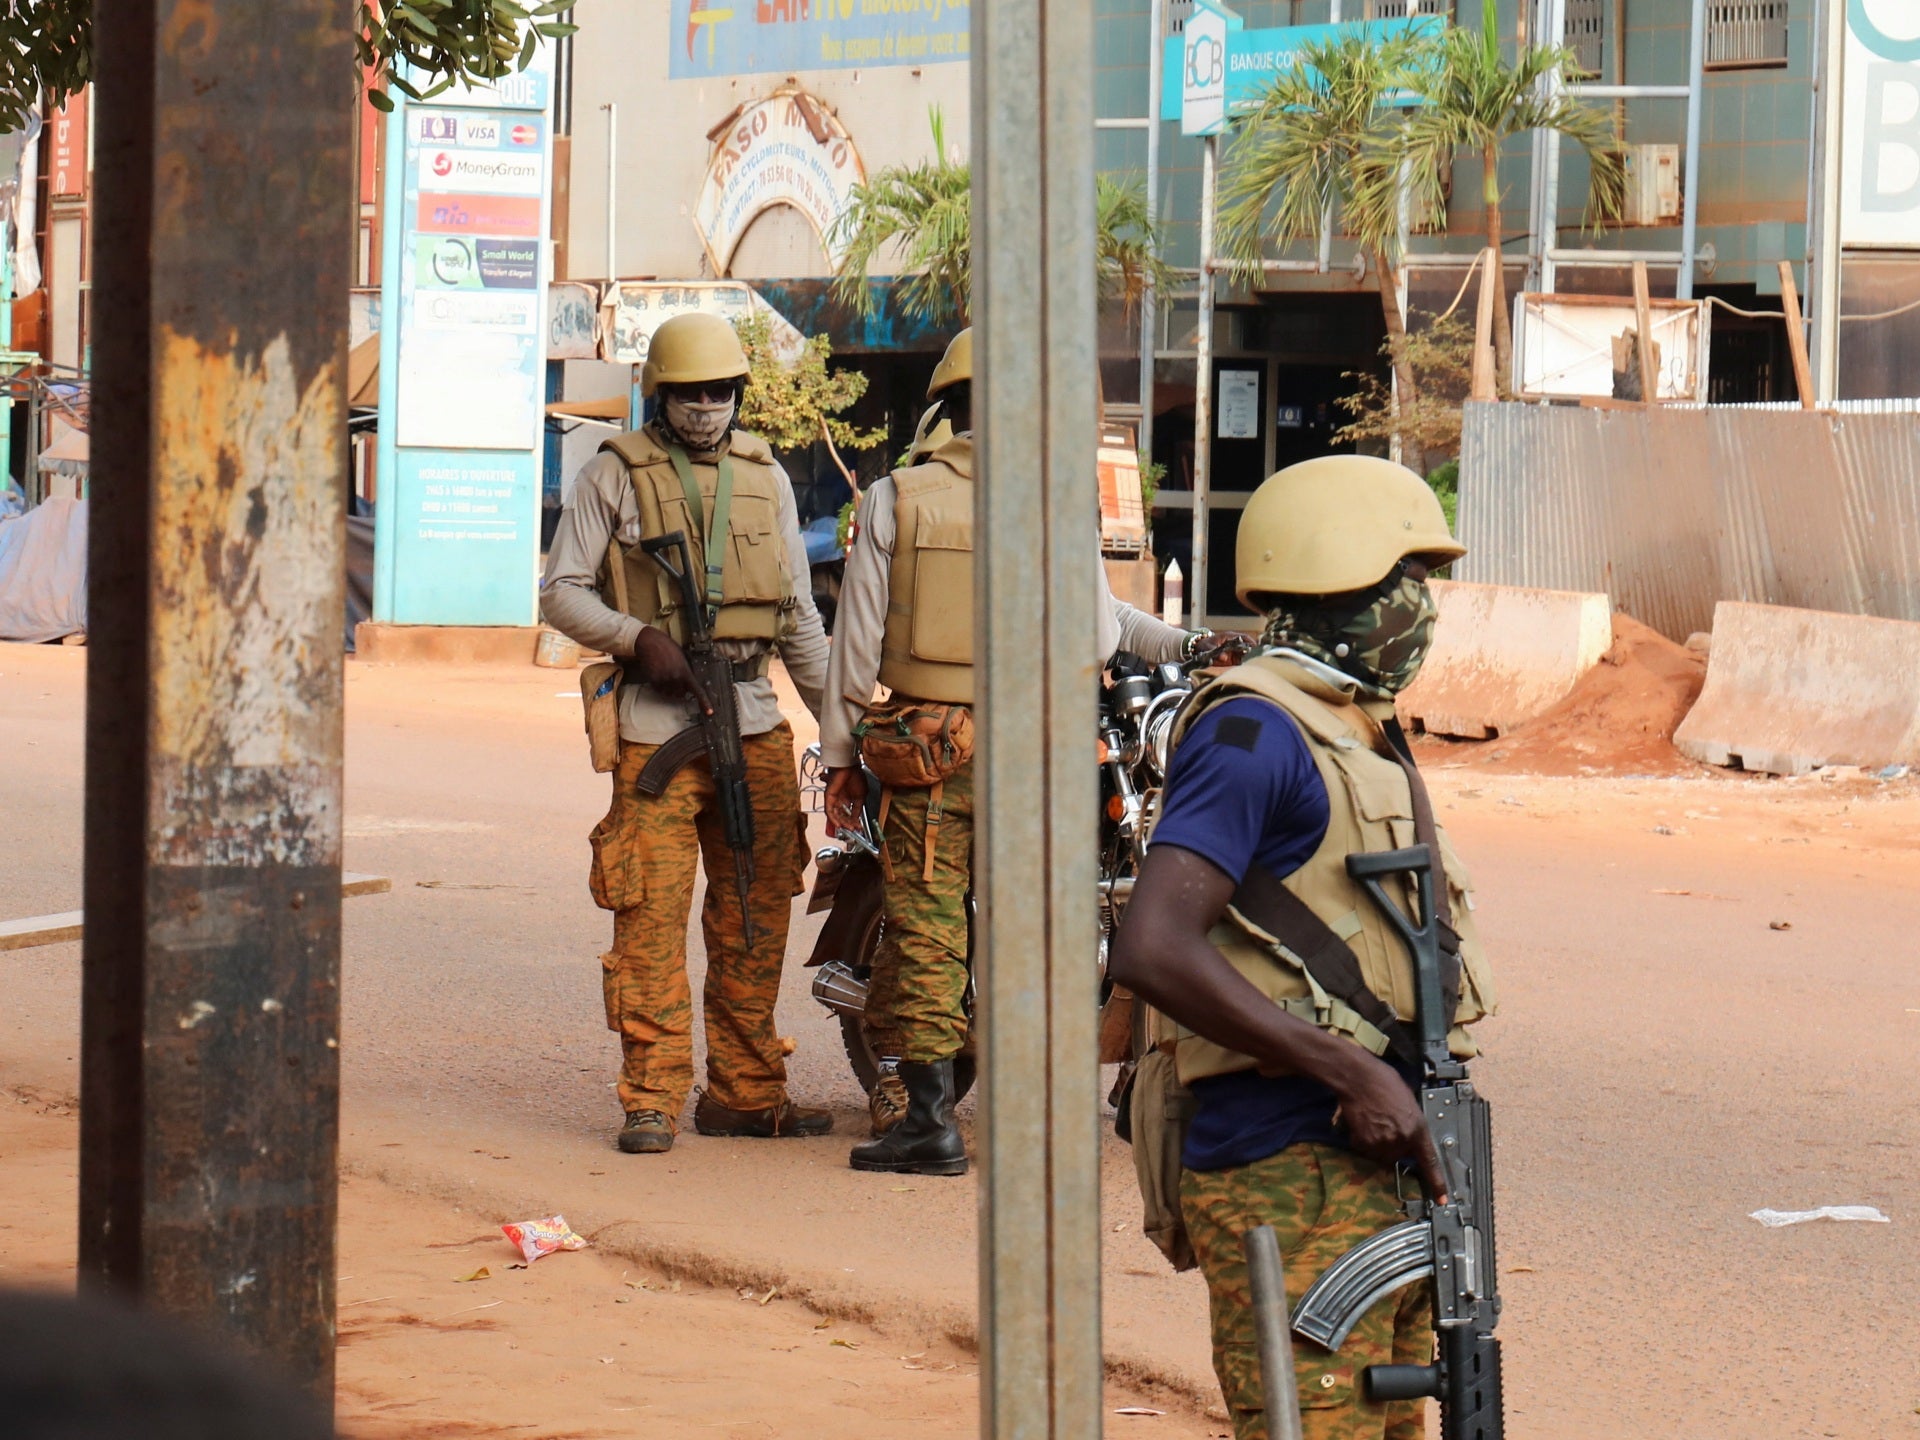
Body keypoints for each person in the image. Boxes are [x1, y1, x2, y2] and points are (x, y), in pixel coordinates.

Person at [1108, 455, 1498, 1440]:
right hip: (1285, 1155)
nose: (1421, 606)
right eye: (1406, 579)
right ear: (1342, 574)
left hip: (1385, 1159)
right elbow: (1152, 945)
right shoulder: (1257, 731)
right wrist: (1344, 1070)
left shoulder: (1354, 727)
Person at [819, 327, 1205, 1170]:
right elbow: (1103, 636)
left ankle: (929, 1124)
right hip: (1041, 750)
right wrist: (1182, 643)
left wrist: (841, 754)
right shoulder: (1059, 501)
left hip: (930, 748)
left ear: (945, 408)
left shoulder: (896, 498)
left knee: (925, 925)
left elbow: (856, 642)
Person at [542, 311, 834, 1156]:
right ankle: (653, 1096)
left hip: (751, 718)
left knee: (755, 913)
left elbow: (797, 620)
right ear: (661, 394)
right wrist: (639, 640)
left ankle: (745, 1093)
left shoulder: (765, 477)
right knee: (650, 917)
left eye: (720, 391)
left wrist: (842, 732)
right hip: (655, 729)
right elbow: (561, 590)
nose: (706, 405)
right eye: (690, 392)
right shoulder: (611, 475)